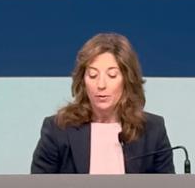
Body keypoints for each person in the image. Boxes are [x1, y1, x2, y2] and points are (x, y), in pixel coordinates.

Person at [30, 32, 175, 174]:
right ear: (83, 81)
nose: (101, 85)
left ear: (127, 80)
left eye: (112, 75)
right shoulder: (58, 129)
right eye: (93, 75)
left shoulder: (152, 130)